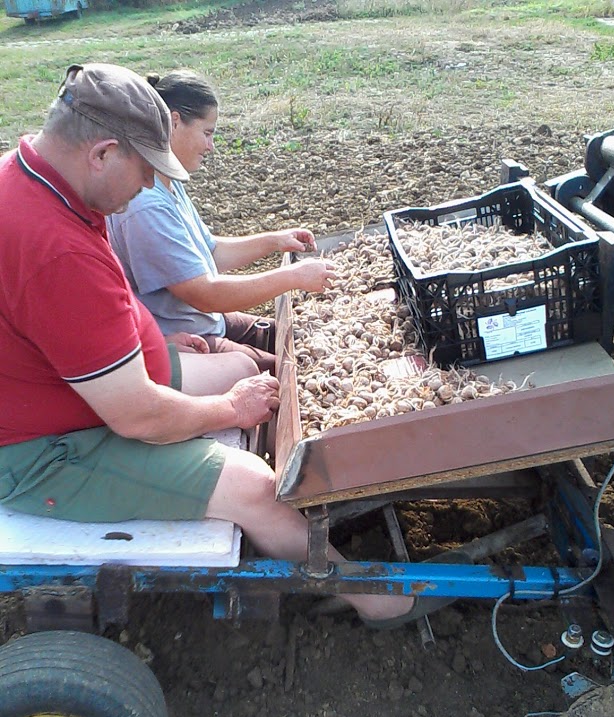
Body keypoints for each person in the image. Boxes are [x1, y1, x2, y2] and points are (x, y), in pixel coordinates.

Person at [0, 62, 436, 630]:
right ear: (102, 152)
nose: (150, 187)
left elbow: (57, 324)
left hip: (66, 395)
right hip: (44, 454)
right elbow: (138, 416)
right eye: (144, 170)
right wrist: (232, 410)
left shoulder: (34, 179)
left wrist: (148, 337)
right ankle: (377, 602)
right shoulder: (56, 249)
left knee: (236, 368)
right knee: (252, 486)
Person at [106, 70, 329, 374]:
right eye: (207, 133)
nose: (211, 146)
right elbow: (205, 294)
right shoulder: (146, 205)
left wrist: (275, 241)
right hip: (190, 337)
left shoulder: (167, 180)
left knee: (311, 337)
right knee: (301, 370)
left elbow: (210, 253)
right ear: (173, 122)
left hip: (211, 320)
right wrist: (294, 277)